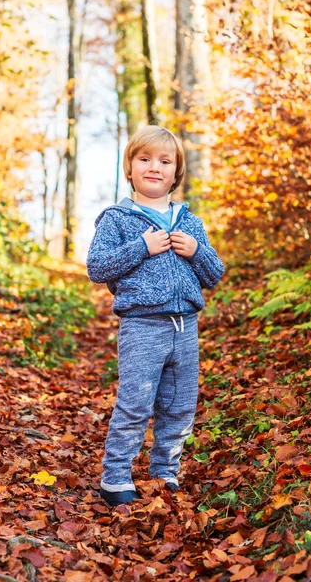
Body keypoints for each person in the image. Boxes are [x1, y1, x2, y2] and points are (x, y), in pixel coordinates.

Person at [86, 125, 225, 507]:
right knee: (135, 403)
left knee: (180, 404)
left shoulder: (189, 221)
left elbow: (213, 274)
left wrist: (196, 250)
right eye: (144, 159)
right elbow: (97, 267)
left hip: (186, 328)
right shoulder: (117, 219)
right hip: (142, 326)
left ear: (176, 172)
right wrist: (141, 247)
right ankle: (115, 477)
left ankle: (165, 471)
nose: (154, 167)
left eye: (164, 161)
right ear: (129, 168)